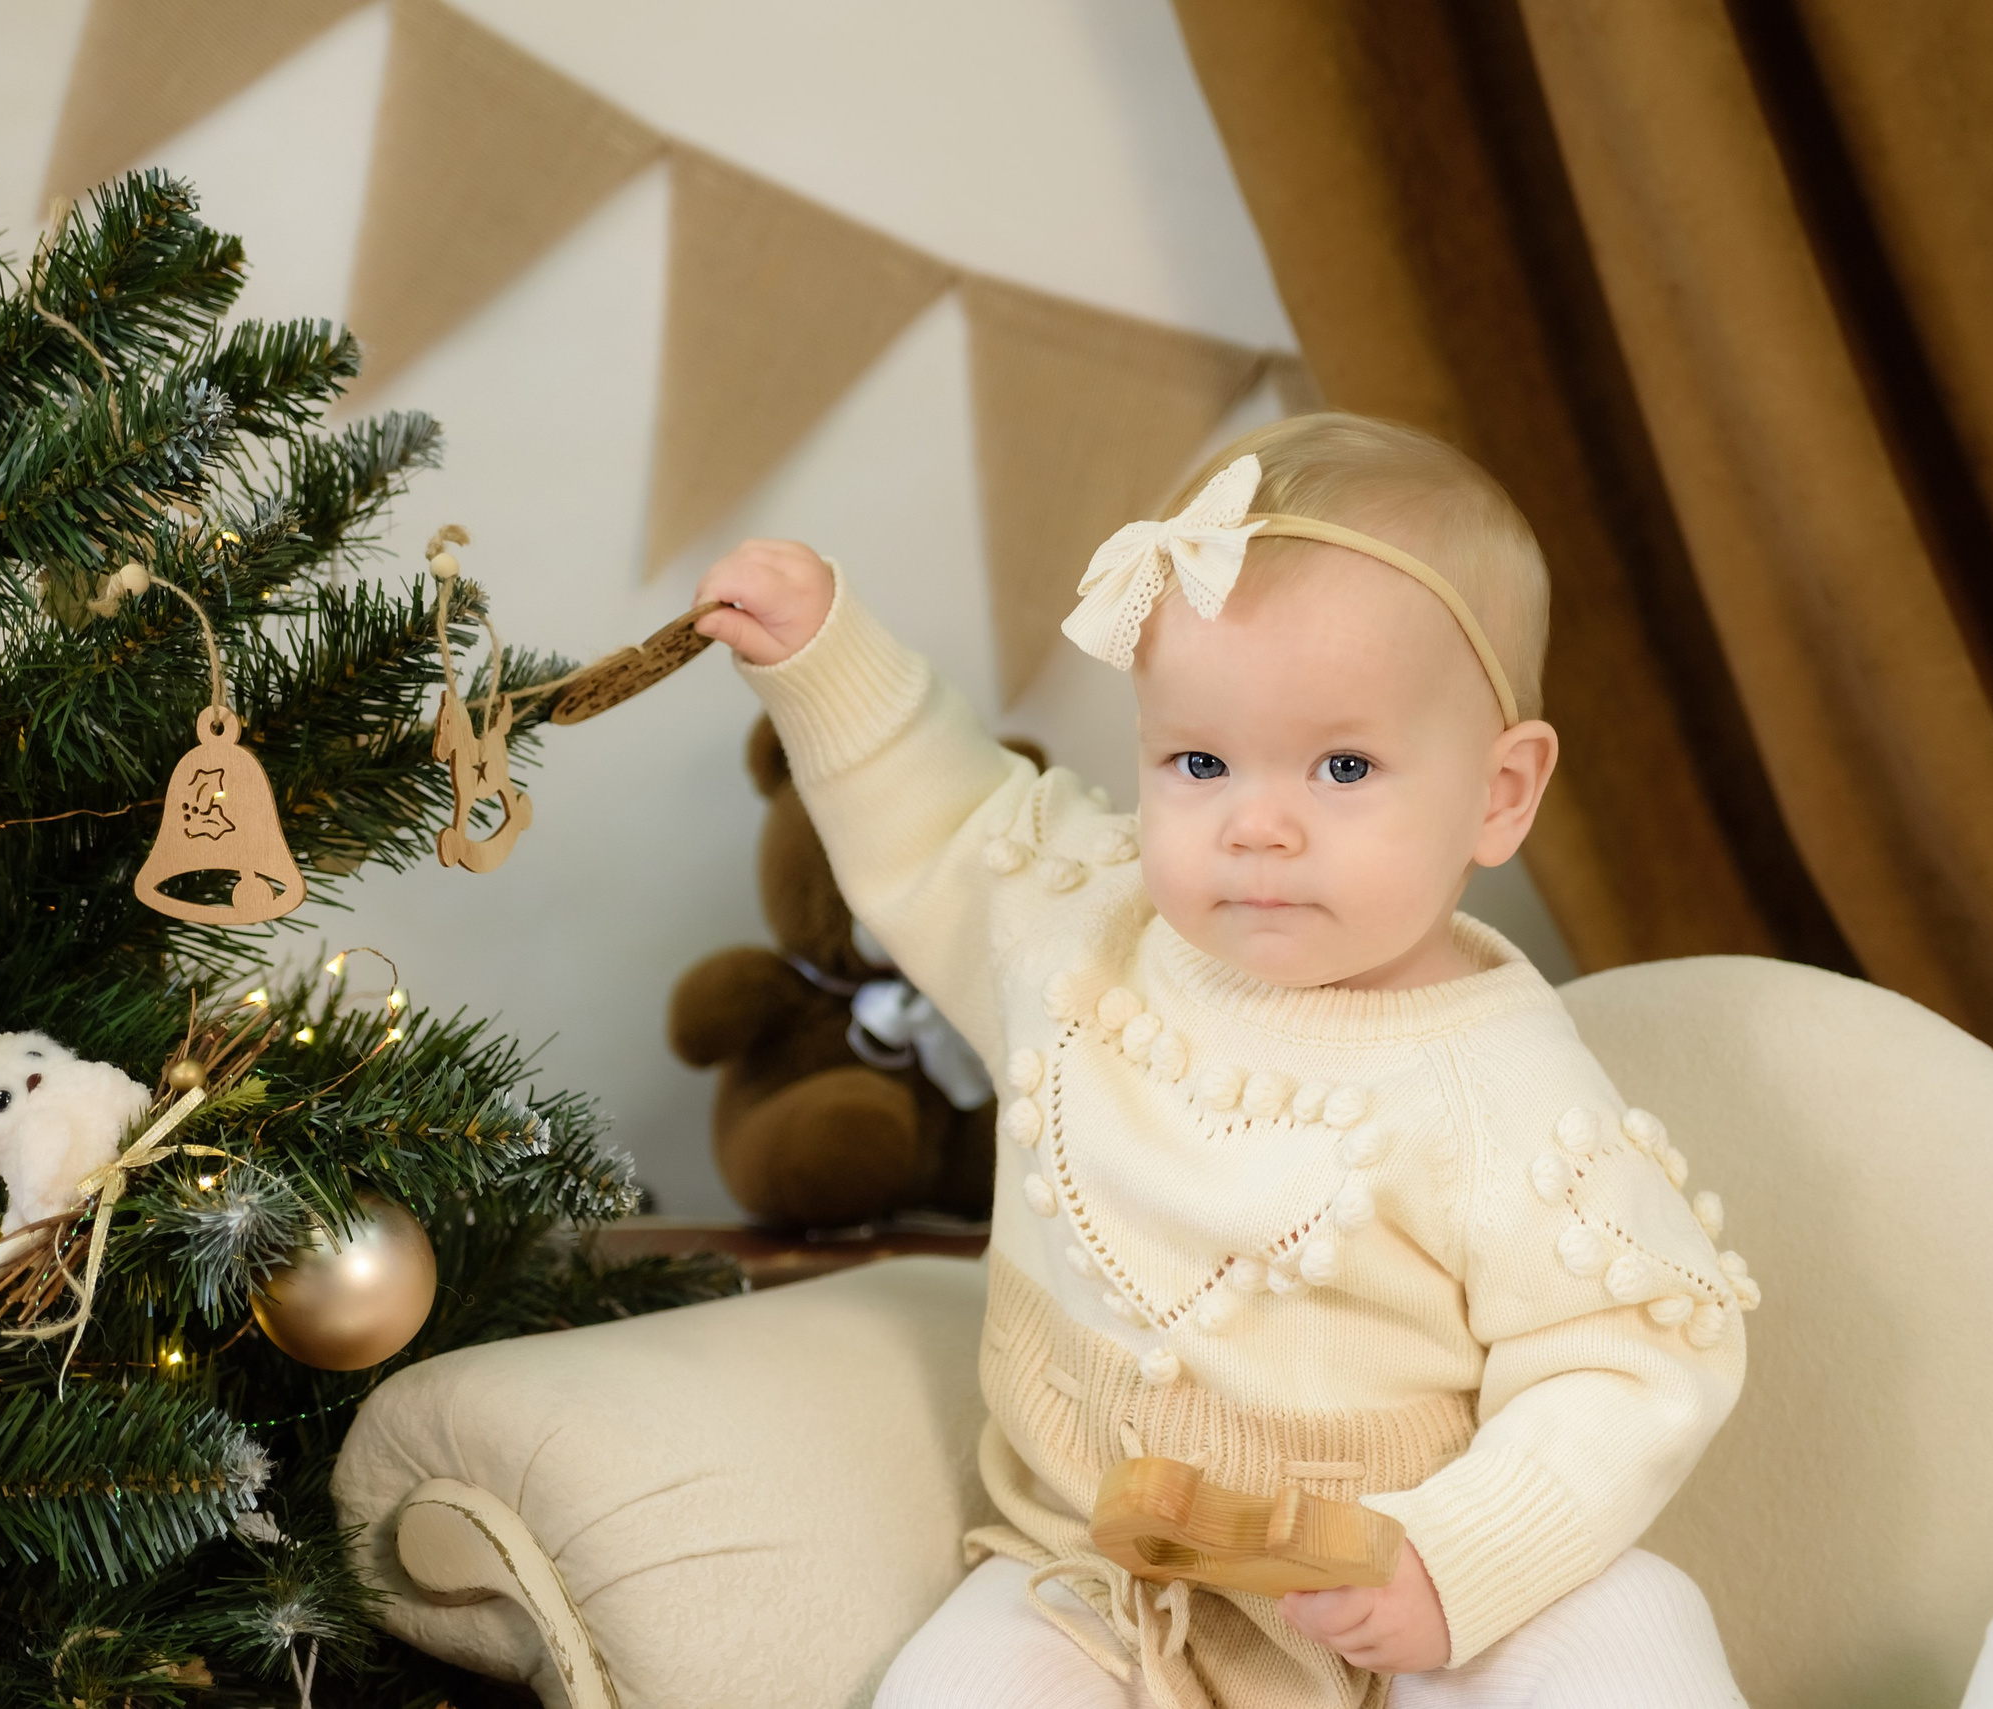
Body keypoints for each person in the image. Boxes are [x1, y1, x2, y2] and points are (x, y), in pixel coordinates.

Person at [693, 413, 1756, 1708]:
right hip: (1097, 1586)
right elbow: (958, 822)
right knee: (961, 1688)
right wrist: (824, 656)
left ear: (1499, 792)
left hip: (1409, 1596)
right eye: (1198, 760)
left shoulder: (1506, 1086)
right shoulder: (1080, 937)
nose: (1257, 823)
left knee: (1630, 1631)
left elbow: (1627, 1357)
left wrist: (1452, 1558)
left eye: (1344, 765)